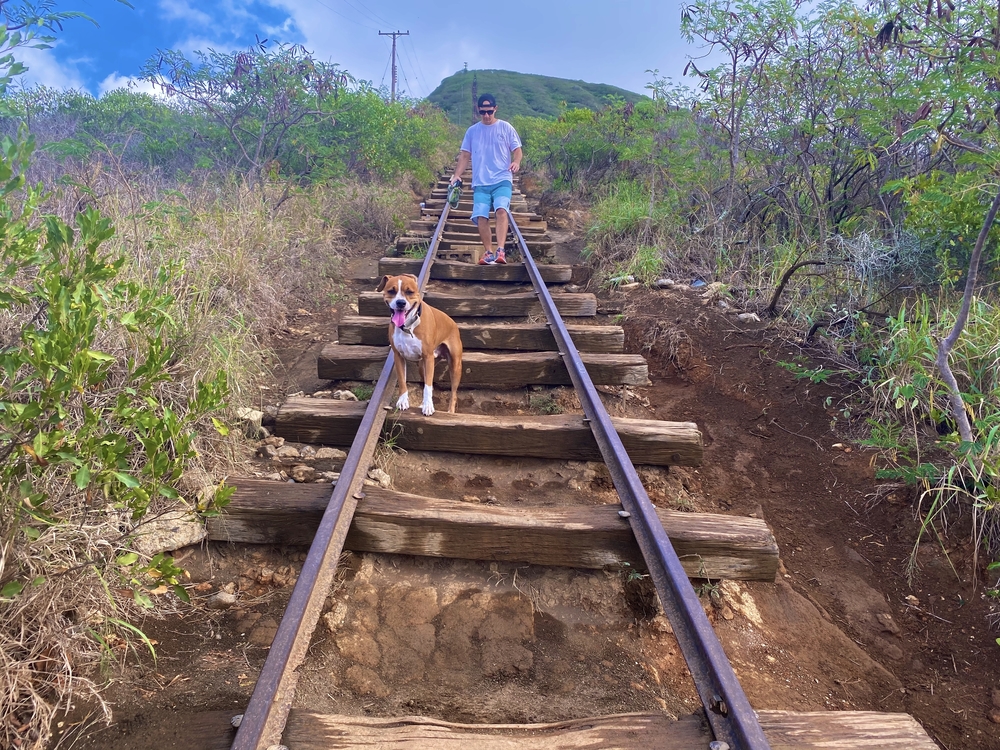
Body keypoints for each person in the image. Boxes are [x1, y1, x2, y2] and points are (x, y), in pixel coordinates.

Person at [449, 93, 523, 265]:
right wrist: (457, 175)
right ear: (479, 111)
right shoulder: (472, 131)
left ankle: (501, 250)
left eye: (490, 111)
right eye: (483, 112)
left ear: (495, 109)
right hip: (481, 182)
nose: (487, 115)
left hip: (502, 179)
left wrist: (516, 162)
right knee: (481, 216)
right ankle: (488, 252)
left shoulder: (505, 127)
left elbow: (517, 149)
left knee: (501, 210)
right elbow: (465, 155)